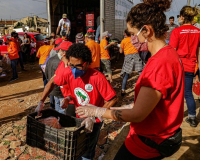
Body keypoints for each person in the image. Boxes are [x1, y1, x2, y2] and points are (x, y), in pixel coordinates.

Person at [77, 0, 184, 159]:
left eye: (133, 34)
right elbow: (147, 103)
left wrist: (96, 111)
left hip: (147, 142)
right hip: (157, 135)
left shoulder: (159, 64)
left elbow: (137, 115)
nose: (133, 39)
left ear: (146, 31)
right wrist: (108, 111)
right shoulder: (167, 54)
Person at [35, 43, 117, 160]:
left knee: (88, 151)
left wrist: (94, 115)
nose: (74, 69)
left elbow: (113, 99)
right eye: (71, 65)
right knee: (77, 147)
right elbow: (52, 82)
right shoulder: (69, 72)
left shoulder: (97, 77)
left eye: (78, 66)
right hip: (79, 119)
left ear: (87, 63)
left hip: (94, 121)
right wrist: (42, 102)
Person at [170, 5, 200, 127]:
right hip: (191, 66)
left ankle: (173, 118)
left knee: (175, 93)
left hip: (178, 66)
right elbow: (198, 51)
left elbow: (172, 51)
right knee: (188, 92)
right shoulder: (198, 32)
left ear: (182, 16)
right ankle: (192, 118)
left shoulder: (176, 31)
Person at [45, 41, 76, 116]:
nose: (58, 52)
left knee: (63, 113)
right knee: (60, 111)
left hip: (69, 99)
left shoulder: (72, 68)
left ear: (64, 53)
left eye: (59, 50)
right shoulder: (62, 63)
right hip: (63, 95)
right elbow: (52, 80)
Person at [119, 29, 143, 96]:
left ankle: (123, 90)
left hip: (128, 57)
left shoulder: (123, 41)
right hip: (136, 55)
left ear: (125, 34)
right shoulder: (134, 39)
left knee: (126, 75)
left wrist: (120, 47)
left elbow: (121, 51)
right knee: (141, 73)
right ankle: (145, 87)